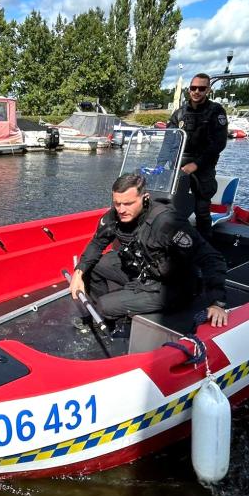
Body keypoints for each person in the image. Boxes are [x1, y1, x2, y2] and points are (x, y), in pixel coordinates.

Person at [68, 174, 229, 333]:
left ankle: (110, 311)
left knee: (105, 305)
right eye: (117, 204)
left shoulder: (167, 223)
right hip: (143, 268)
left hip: (172, 286)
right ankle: (108, 315)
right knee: (94, 267)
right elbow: (97, 243)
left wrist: (217, 302)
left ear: (145, 198)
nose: (122, 210)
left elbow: (211, 258)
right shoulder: (115, 216)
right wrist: (79, 270)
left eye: (128, 203)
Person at [167, 73, 228, 238]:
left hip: (203, 167)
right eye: (193, 88)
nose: (197, 92)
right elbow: (169, 142)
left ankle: (205, 249)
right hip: (179, 166)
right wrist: (164, 165)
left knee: (201, 210)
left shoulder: (216, 112)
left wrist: (197, 164)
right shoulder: (179, 114)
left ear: (208, 89)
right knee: (171, 207)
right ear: (189, 89)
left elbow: (219, 143)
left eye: (201, 88)